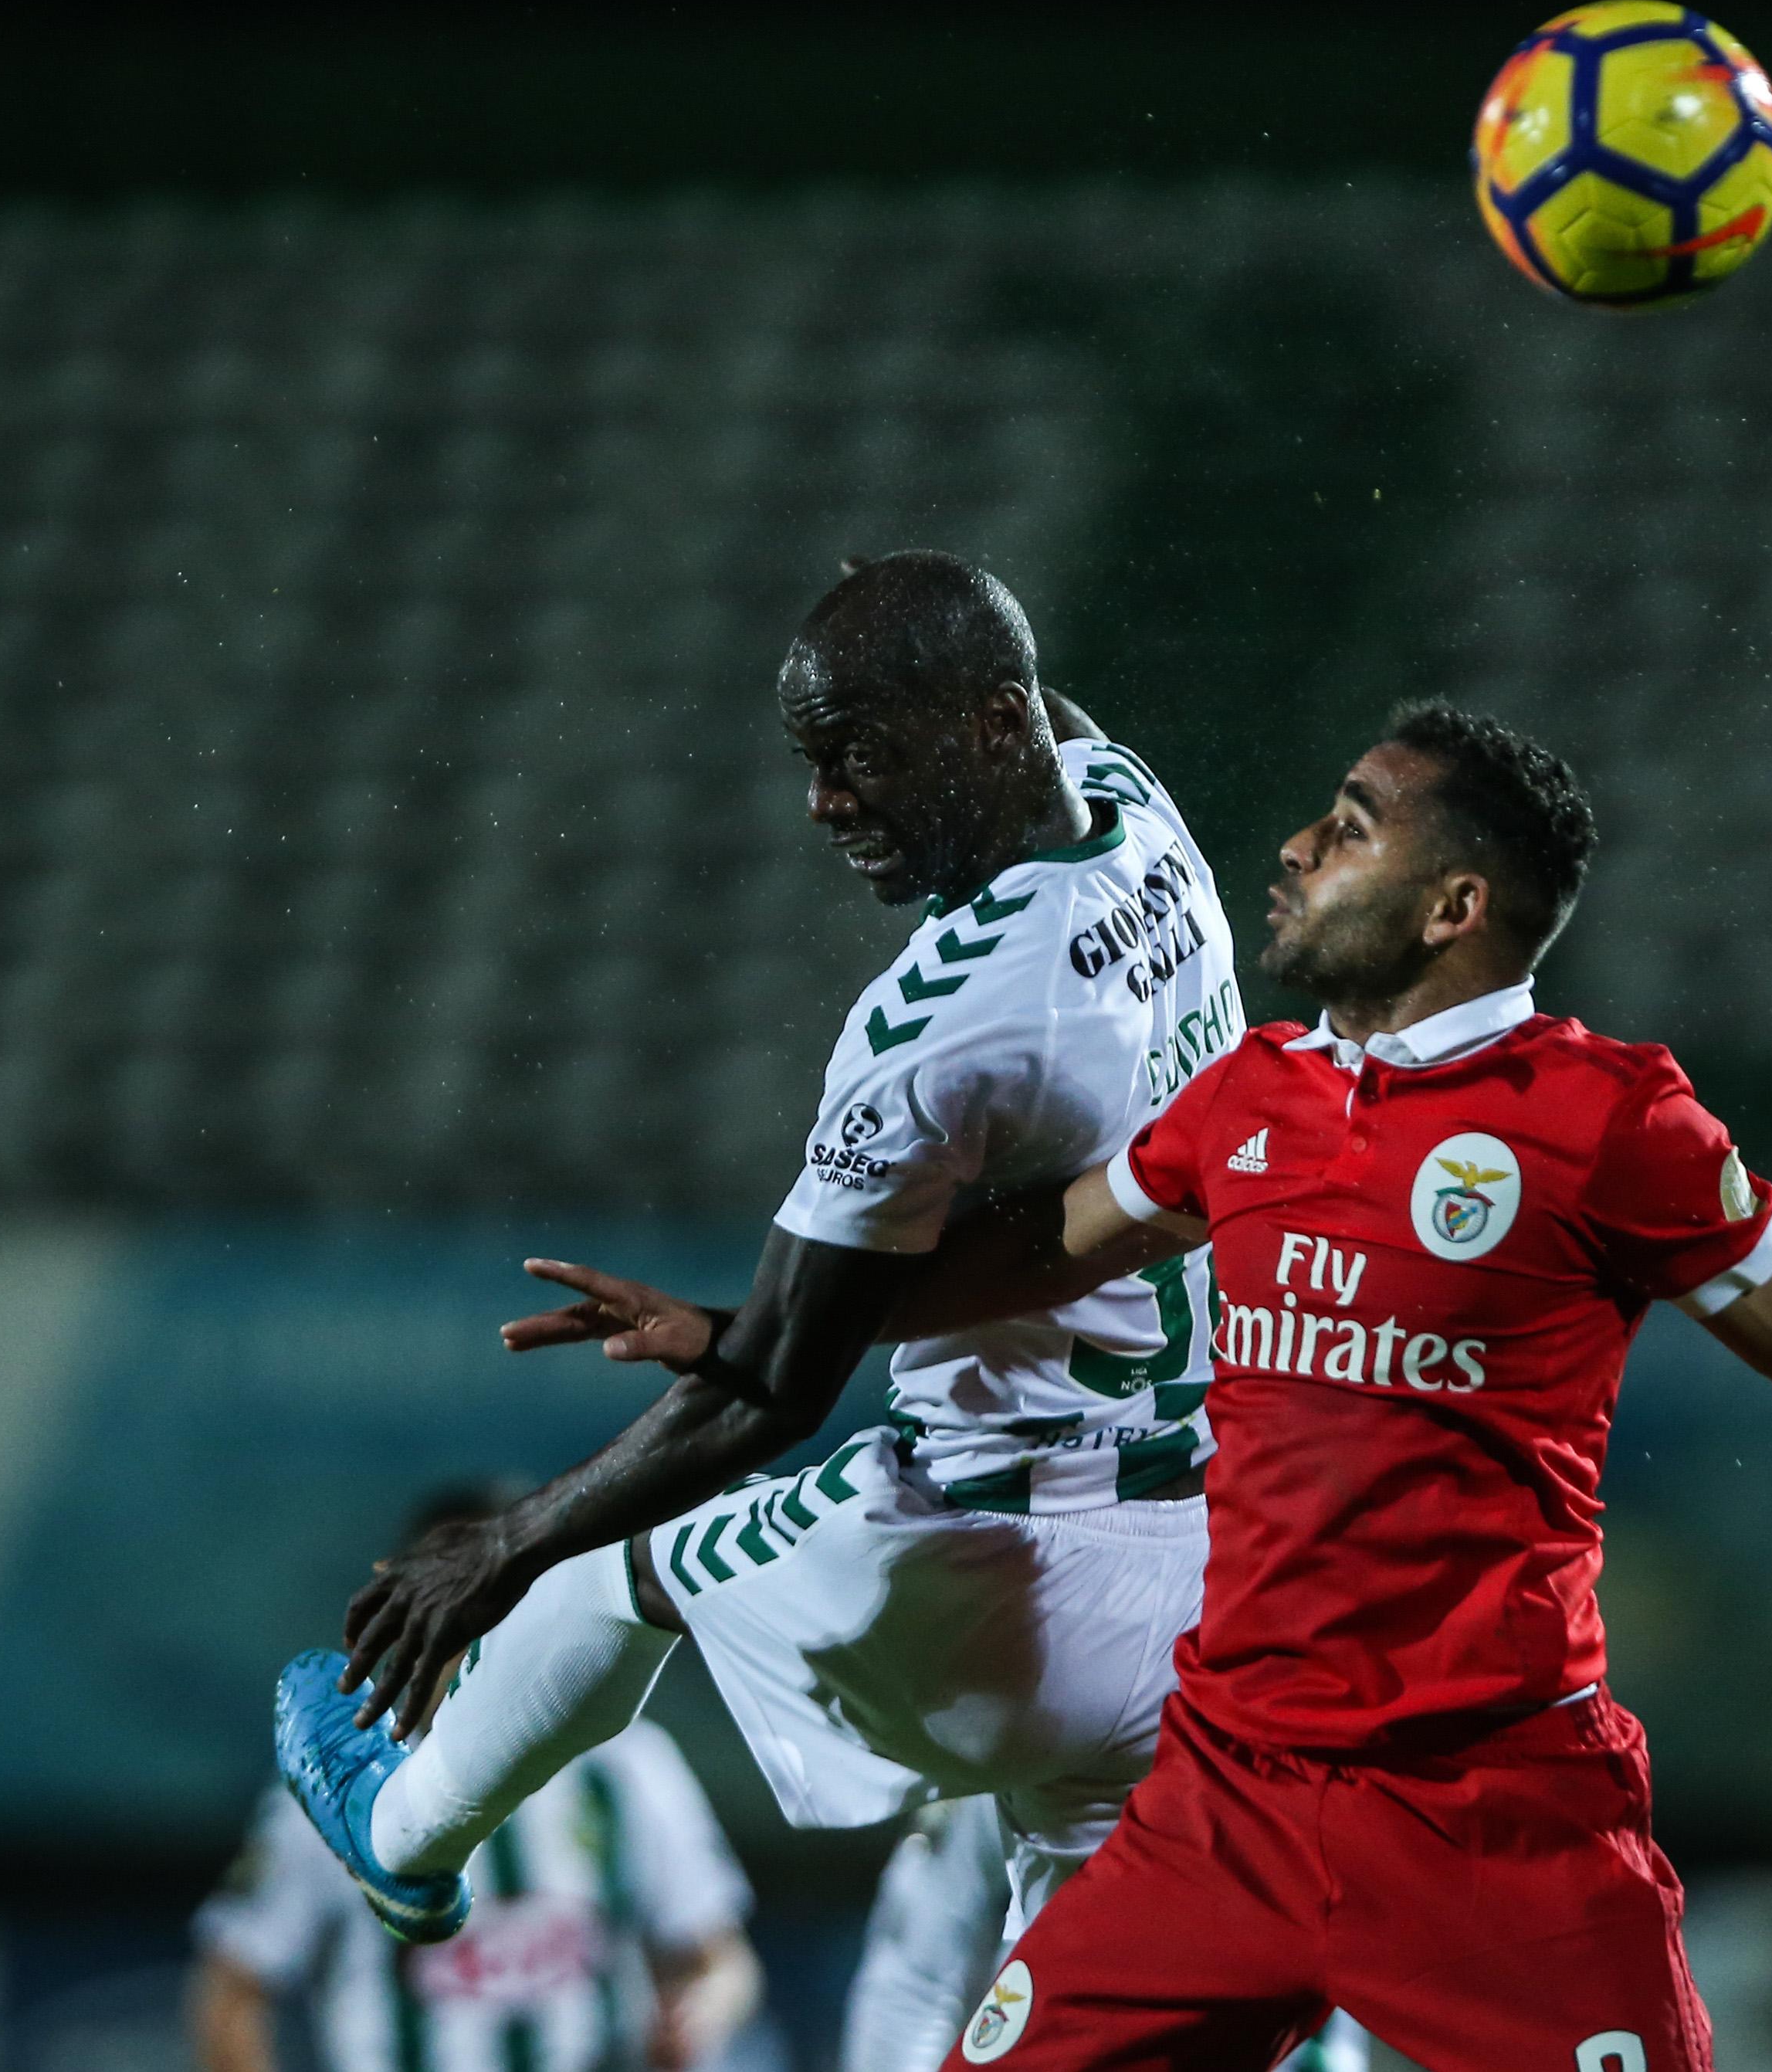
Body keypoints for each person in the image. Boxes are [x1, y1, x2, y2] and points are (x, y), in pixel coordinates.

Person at [563, 701, 1772, 2072]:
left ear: (1451, 908)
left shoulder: (1611, 1126)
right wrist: (756, 1330)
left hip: (1491, 1815)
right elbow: (1042, 1249)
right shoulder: (1250, 1098)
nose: (1292, 846)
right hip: (1225, 1801)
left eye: (1347, 827)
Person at [273, 553, 1238, 1991]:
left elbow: (772, 1395)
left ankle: (403, 1830)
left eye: (855, 756)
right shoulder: (1138, 816)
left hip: (1003, 1561)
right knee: (1068, 2020)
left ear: (984, 726)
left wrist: (504, 1546)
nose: (824, 803)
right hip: (1202, 1573)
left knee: (610, 1563)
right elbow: (1044, 1240)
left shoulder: (944, 1018)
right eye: (812, 757)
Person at [199, 1488, 761, 2072]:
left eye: (514, 1599)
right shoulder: (339, 1785)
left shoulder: (630, 1767)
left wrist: (700, 2014)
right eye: (464, 1602)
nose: (487, 1630)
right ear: (403, 1613)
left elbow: (718, 1960)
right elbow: (232, 1987)